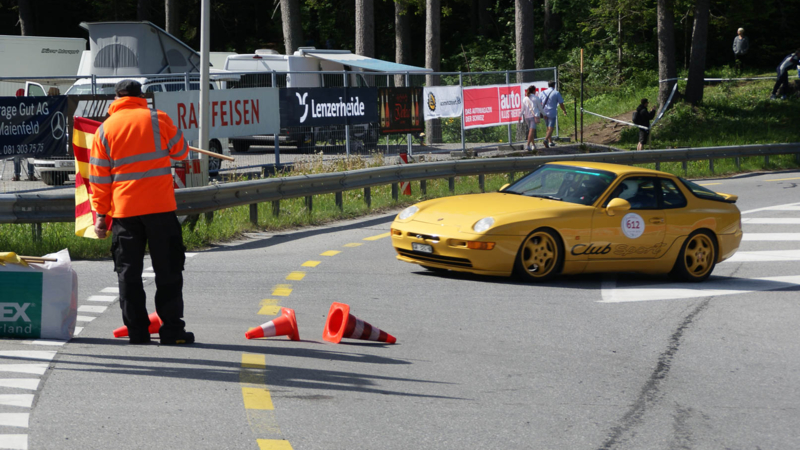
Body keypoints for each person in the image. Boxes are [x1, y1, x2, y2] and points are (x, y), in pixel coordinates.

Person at [90, 79, 194, 345]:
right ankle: (172, 331)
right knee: (168, 271)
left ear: (116, 98)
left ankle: (137, 332)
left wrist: (101, 216)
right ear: (141, 96)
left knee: (129, 274)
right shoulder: (159, 119)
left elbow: (99, 179)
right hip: (160, 209)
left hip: (125, 212)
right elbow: (181, 151)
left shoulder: (104, 130)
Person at [538, 80, 568, 148]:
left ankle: (550, 141)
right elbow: (561, 103)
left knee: (548, 127)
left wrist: (540, 111)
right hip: (552, 112)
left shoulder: (543, 92)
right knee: (551, 128)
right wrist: (564, 110)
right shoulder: (556, 93)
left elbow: (539, 102)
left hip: (544, 112)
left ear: (548, 85)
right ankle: (546, 140)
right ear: (554, 85)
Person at [518, 85, 544, 151]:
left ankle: (533, 145)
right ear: (534, 91)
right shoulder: (536, 98)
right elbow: (540, 108)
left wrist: (520, 116)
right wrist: (544, 114)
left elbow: (522, 109)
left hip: (526, 117)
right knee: (531, 131)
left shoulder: (525, 98)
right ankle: (527, 145)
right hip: (533, 116)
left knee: (530, 131)